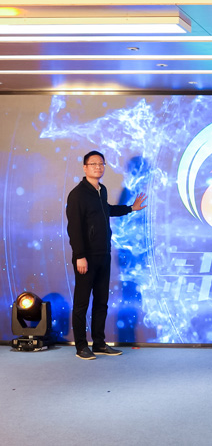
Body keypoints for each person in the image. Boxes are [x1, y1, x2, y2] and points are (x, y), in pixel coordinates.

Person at [66, 151, 146, 360]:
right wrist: (80, 256)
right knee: (82, 303)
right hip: (86, 257)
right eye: (93, 164)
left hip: (104, 254)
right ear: (85, 167)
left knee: (101, 301)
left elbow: (107, 210)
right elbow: (74, 228)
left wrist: (131, 208)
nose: (98, 167)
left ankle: (99, 343)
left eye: (101, 164)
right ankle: (81, 347)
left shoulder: (101, 191)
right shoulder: (77, 194)